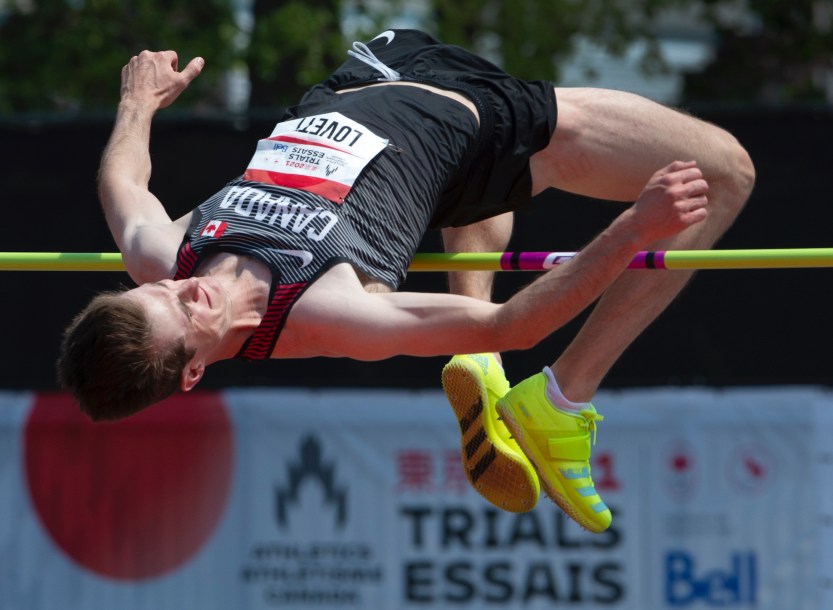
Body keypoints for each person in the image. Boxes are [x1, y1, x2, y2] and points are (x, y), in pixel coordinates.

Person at [57, 29, 754, 533]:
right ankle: (562, 400)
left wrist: (139, 102)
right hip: (472, 126)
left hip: (372, 70)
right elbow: (512, 325)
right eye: (188, 307)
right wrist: (633, 229)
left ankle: (478, 373)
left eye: (161, 288)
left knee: (477, 215)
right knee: (726, 171)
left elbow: (125, 182)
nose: (187, 284)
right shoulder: (323, 315)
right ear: (192, 372)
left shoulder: (164, 254)